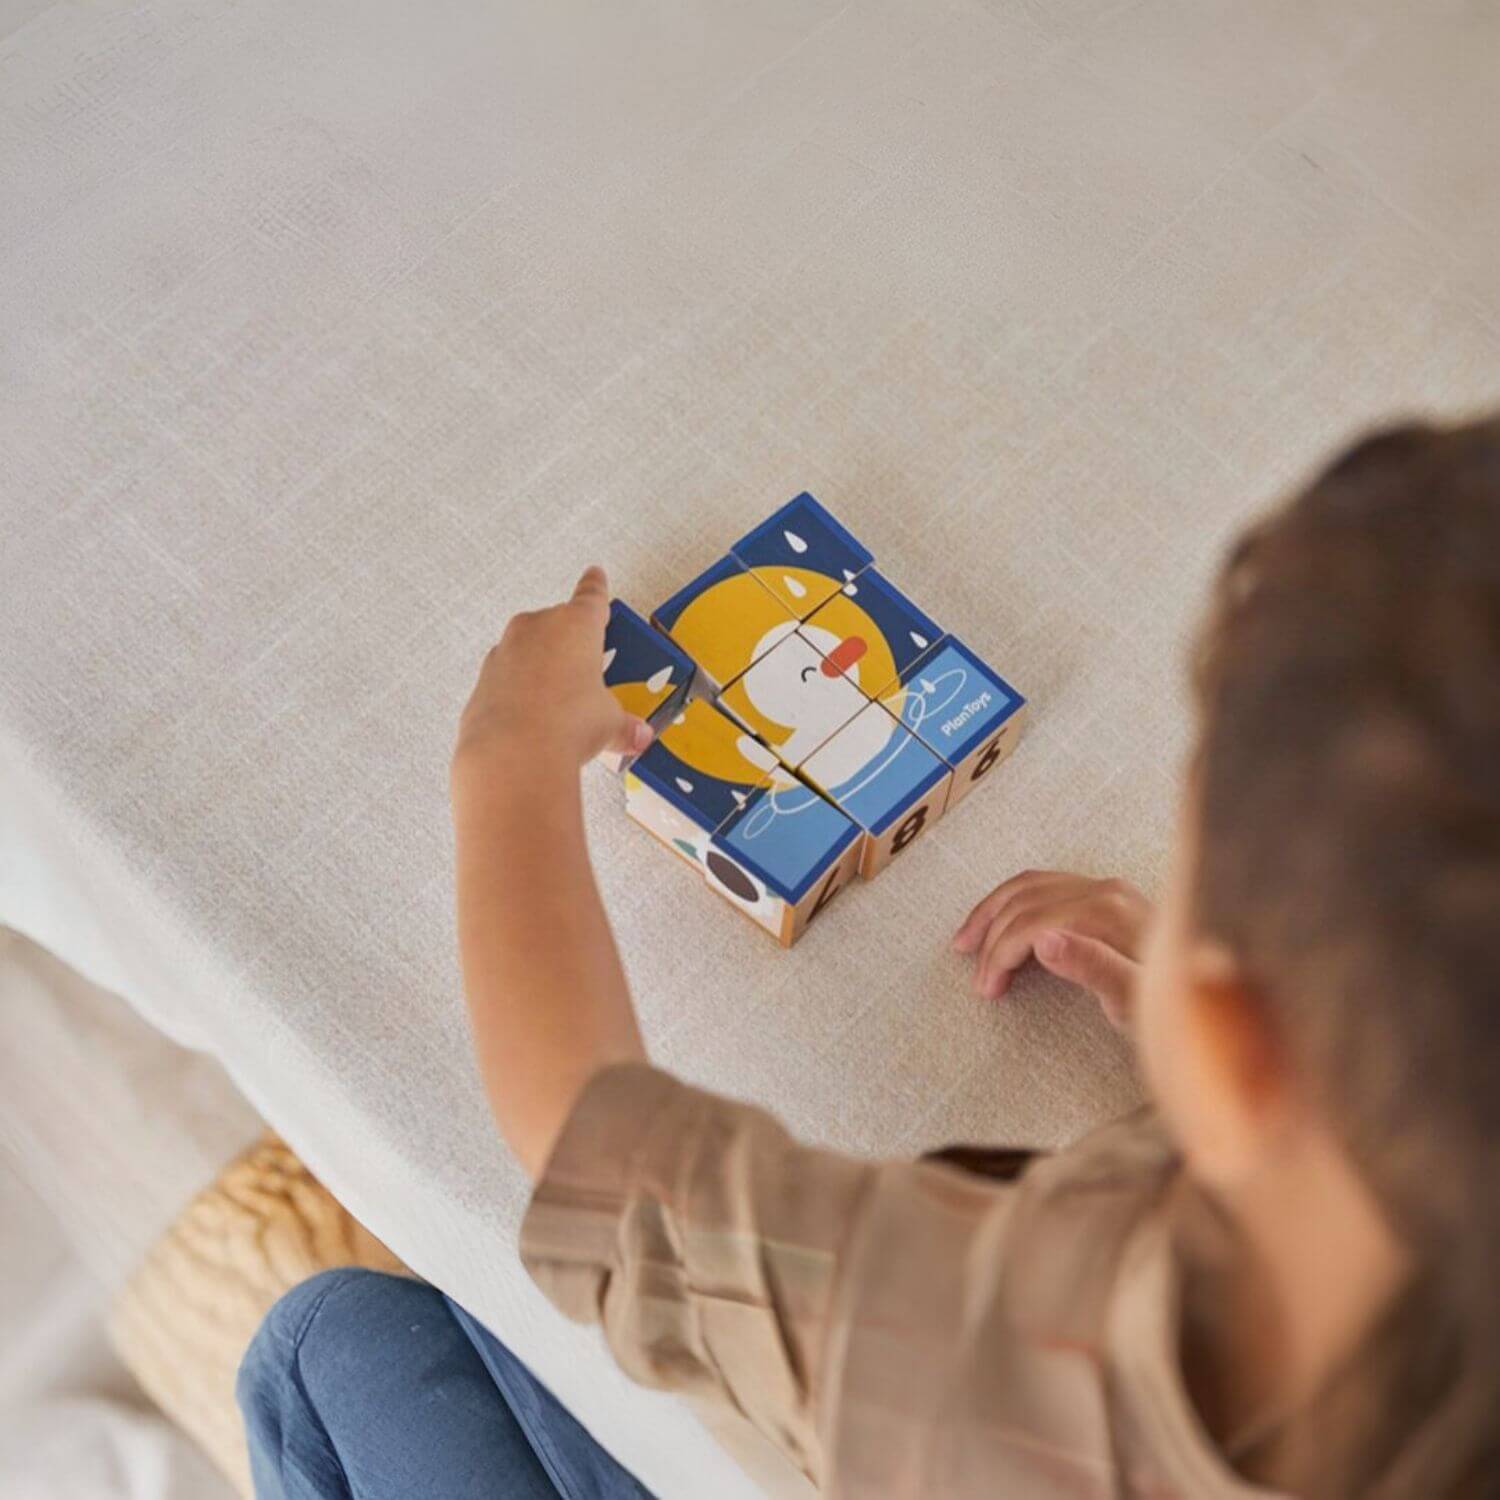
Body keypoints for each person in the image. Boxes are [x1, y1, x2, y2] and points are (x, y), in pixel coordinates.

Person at [240, 419, 1499, 1498]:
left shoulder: (977, 1347)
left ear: (1237, 1051)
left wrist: (506, 760)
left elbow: (608, 1166)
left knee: (330, 1341)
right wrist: (1245, 1048)